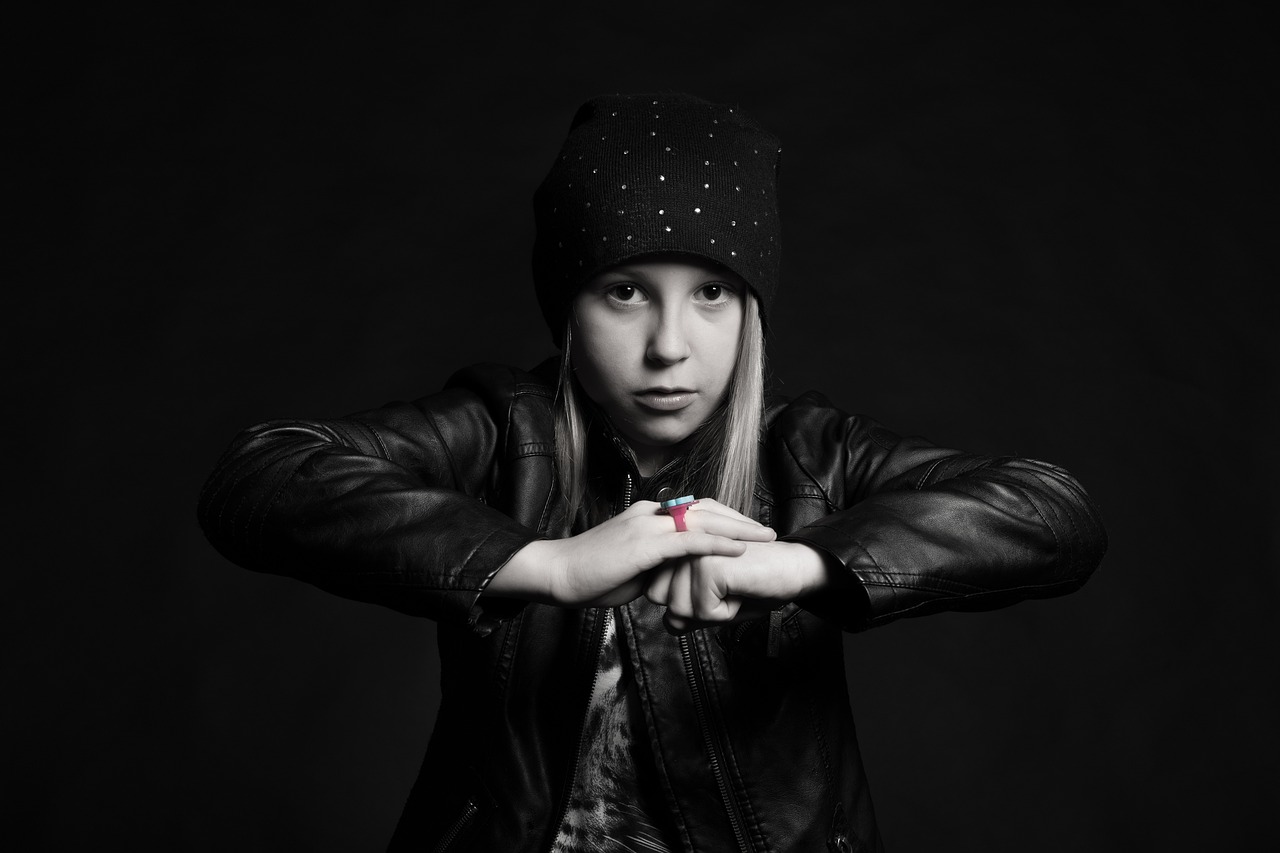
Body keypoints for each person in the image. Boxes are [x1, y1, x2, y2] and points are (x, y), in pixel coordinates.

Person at [198, 93, 1107, 853]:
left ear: (751, 312)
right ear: (569, 308)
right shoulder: (503, 429)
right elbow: (260, 475)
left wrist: (801, 564)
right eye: (625, 291)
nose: (669, 345)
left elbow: (1053, 512)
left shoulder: (808, 452)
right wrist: (547, 565)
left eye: (711, 293)